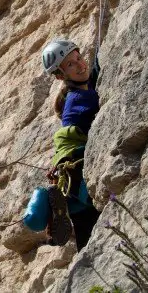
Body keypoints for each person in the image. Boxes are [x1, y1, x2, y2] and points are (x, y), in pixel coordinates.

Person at [41, 39, 101, 251]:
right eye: (71, 65)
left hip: (78, 194)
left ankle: (61, 207)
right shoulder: (76, 101)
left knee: (89, 242)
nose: (80, 65)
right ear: (60, 75)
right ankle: (59, 209)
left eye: (78, 58)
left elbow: (92, 72)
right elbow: (77, 131)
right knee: (91, 241)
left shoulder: (82, 89)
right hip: (80, 176)